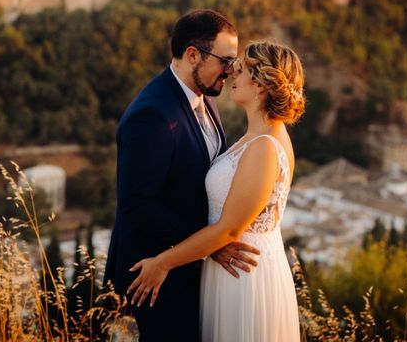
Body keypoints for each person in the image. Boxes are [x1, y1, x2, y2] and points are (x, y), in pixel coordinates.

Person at [127, 40, 305, 342]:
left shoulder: (264, 147)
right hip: (229, 269)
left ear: (261, 85)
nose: (232, 75)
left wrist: (162, 263)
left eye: (242, 71)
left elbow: (228, 230)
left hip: (244, 276)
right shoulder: (257, 136)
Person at [104, 10, 260, 342]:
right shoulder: (153, 114)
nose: (231, 70)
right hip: (156, 270)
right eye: (226, 60)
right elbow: (139, 204)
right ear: (193, 54)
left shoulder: (204, 94)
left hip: (188, 263)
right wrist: (210, 243)